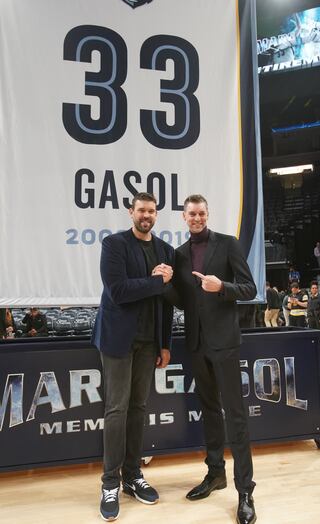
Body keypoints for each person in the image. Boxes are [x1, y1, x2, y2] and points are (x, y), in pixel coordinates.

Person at [170, 194, 257, 524]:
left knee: (235, 415)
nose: (197, 218)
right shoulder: (179, 255)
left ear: (208, 214)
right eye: (191, 213)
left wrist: (222, 286)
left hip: (224, 343)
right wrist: (164, 284)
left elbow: (249, 288)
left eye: (201, 213)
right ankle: (215, 474)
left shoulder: (228, 244)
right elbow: (182, 301)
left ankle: (245, 490)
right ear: (184, 216)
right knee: (209, 412)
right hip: (196, 343)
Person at [91, 192, 175, 522]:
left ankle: (132, 475)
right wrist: (155, 280)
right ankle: (109, 482)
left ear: (156, 214)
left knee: (139, 407)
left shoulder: (166, 250)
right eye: (141, 210)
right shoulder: (114, 245)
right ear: (131, 212)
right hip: (117, 339)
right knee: (116, 409)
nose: (146, 215)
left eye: (151, 211)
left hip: (148, 342)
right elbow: (118, 291)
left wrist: (165, 343)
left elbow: (166, 300)